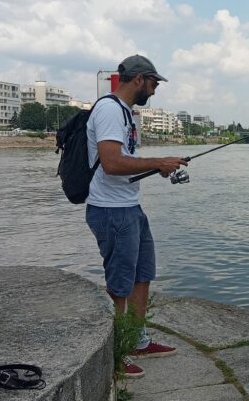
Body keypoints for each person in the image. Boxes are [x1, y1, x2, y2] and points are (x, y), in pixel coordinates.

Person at [85, 54, 188, 378]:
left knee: (142, 274)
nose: (156, 89)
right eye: (154, 82)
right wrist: (158, 162)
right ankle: (114, 355)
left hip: (129, 208)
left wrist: (155, 167)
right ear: (139, 79)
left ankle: (137, 340)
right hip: (112, 212)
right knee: (119, 285)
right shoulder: (109, 111)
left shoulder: (126, 114)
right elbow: (112, 163)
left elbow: (125, 163)